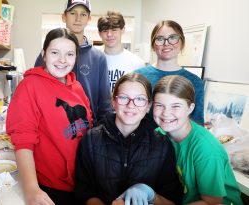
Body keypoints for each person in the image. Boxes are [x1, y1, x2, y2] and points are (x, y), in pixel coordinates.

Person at [6, 28, 93, 205]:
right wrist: (31, 189)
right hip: (51, 187)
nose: (62, 60)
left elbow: (88, 123)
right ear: (44, 54)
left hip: (83, 182)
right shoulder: (30, 86)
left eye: (69, 54)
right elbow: (23, 140)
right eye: (55, 53)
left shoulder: (76, 85)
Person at [75, 73, 183, 205]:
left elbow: (173, 201)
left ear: (148, 106)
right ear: (113, 102)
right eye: (123, 98)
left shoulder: (162, 145)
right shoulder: (90, 140)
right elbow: (84, 192)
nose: (131, 105)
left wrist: (152, 196)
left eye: (140, 99)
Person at [152, 75, 243, 205]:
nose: (166, 113)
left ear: (190, 108)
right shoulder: (158, 135)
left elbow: (213, 202)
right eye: (160, 105)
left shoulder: (205, 149)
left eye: (176, 106)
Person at [35, 0, 111, 123]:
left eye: (83, 14)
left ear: (89, 18)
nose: (78, 18)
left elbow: (105, 103)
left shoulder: (98, 58)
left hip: (89, 130)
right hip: (52, 129)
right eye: (72, 13)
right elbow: (36, 93)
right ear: (64, 17)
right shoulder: (49, 55)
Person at [135, 20, 204, 124]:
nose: (166, 43)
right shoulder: (138, 76)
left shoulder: (195, 82)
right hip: (143, 139)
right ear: (153, 45)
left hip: (178, 140)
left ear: (182, 43)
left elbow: (197, 123)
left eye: (173, 38)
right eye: (160, 39)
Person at [97, 11, 145, 92]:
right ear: (99, 33)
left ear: (122, 30)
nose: (109, 34)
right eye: (105, 30)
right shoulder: (94, 60)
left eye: (114, 30)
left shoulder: (137, 63)